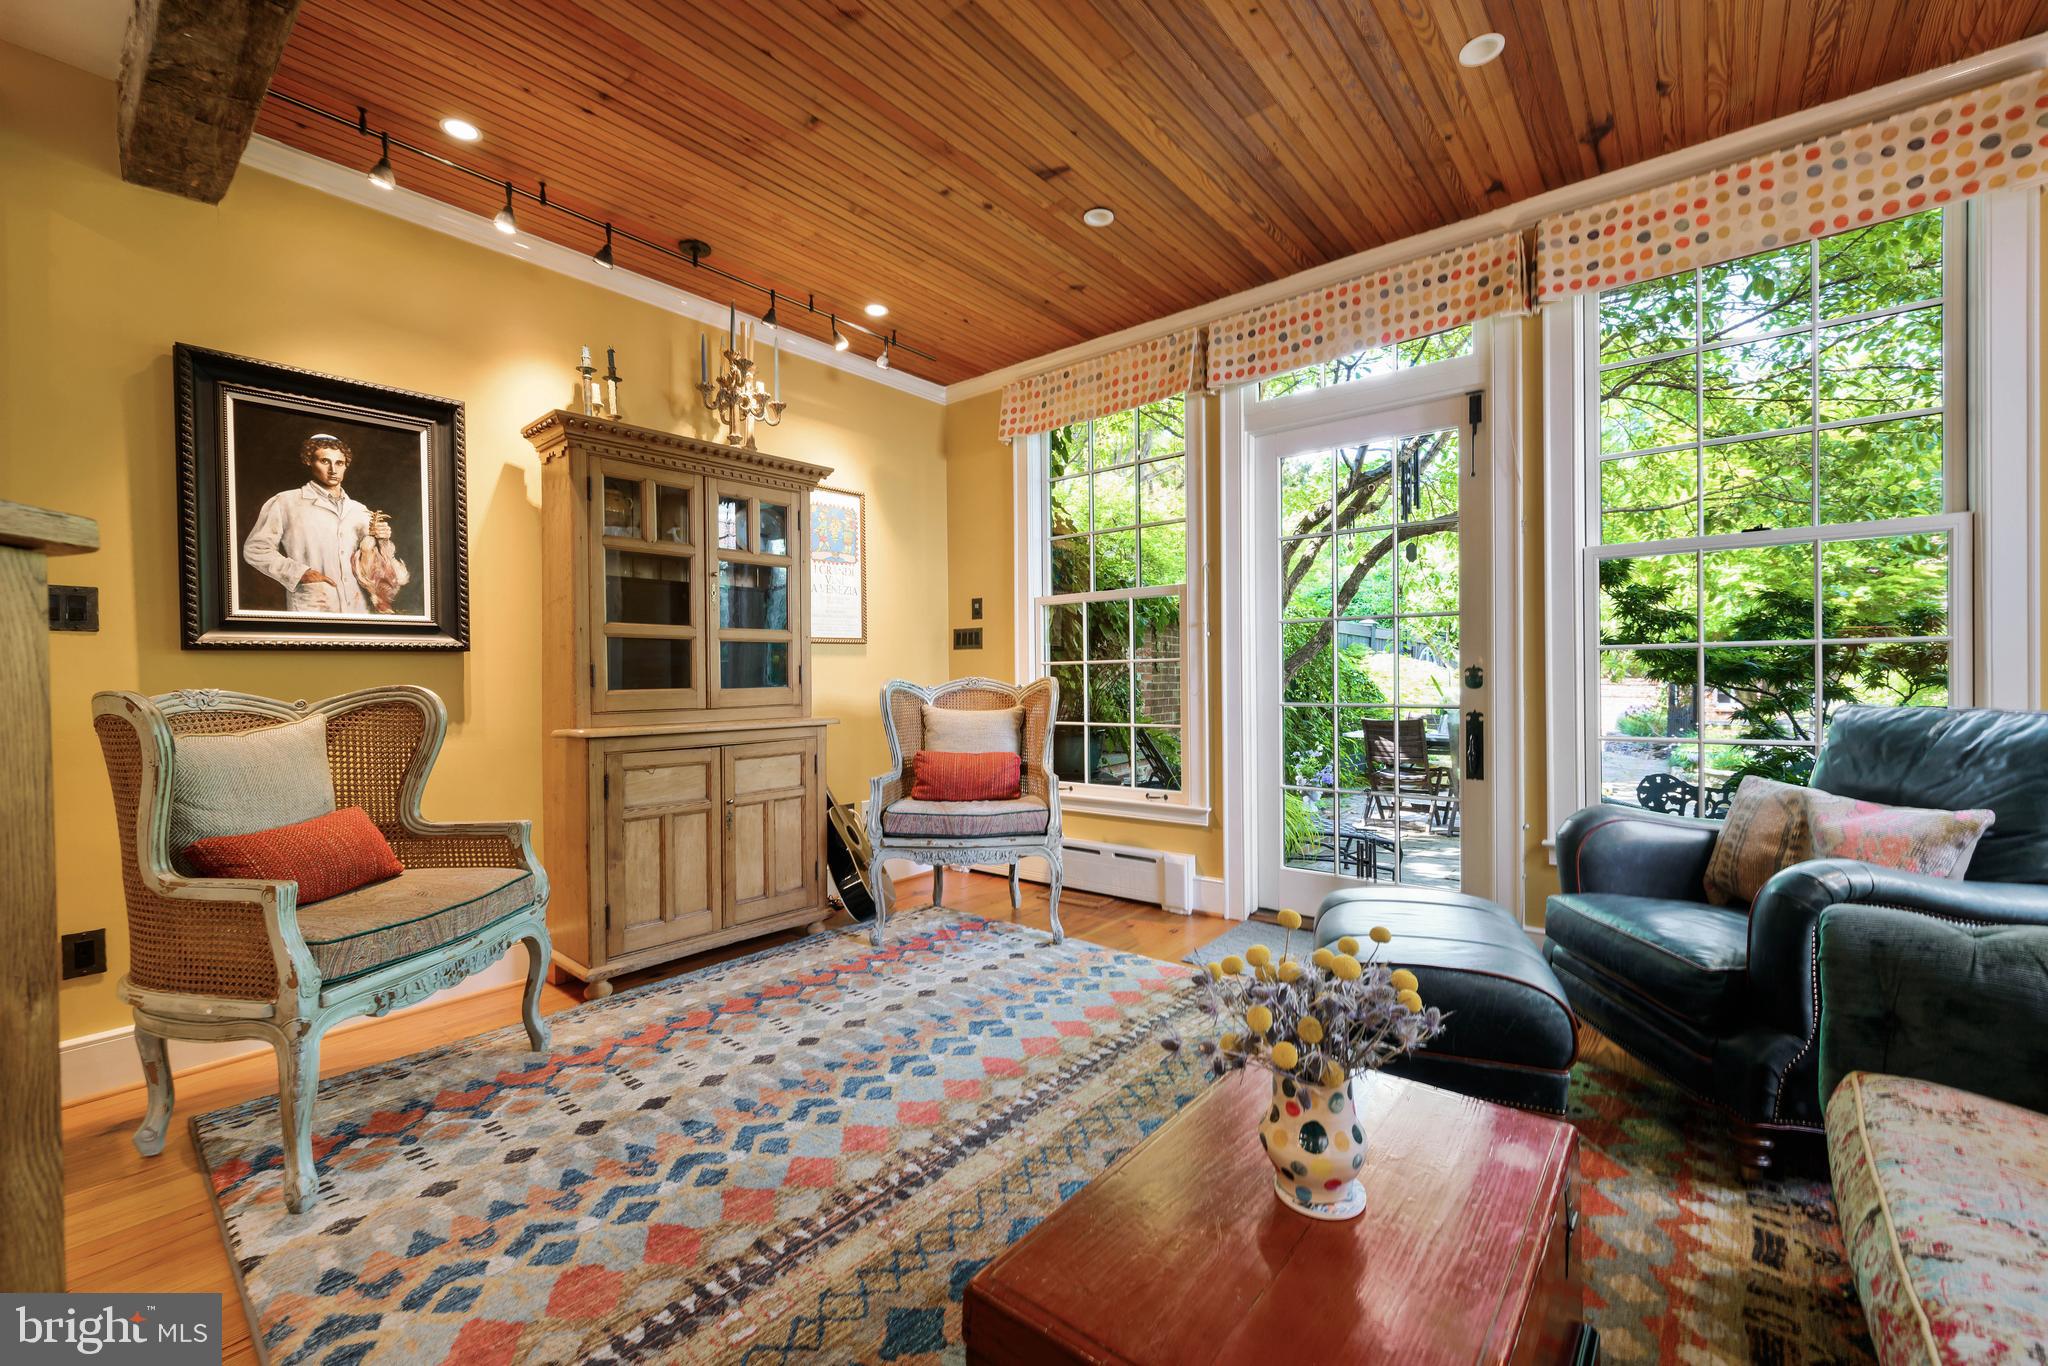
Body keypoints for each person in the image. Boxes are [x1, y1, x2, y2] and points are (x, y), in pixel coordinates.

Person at [242, 433, 408, 614]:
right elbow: (255, 549)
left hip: (359, 607)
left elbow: (374, 568)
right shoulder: (285, 502)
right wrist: (299, 573)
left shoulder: (360, 510)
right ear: (309, 461)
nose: (333, 470)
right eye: (324, 461)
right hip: (313, 604)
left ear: (346, 466)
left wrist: (381, 541)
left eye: (339, 463)